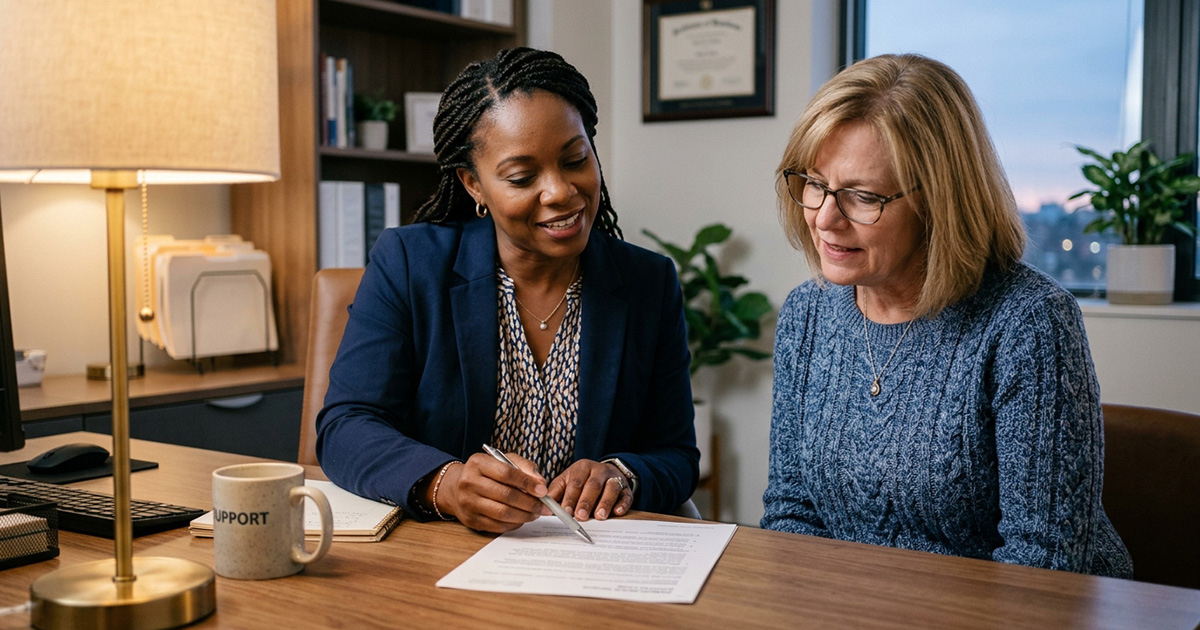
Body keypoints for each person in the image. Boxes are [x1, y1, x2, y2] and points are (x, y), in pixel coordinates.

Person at [761, 53, 1132, 577]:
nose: (824, 218)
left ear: (941, 202)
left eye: (863, 196)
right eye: (815, 184)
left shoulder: (1029, 324)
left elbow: (1042, 567)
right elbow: (791, 516)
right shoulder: (806, 315)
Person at [317, 47, 699, 534]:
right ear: (473, 184)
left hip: (589, 561)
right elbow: (346, 426)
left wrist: (622, 474)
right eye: (522, 177)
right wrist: (447, 484)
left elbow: (676, 453)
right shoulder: (410, 264)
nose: (560, 191)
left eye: (576, 159)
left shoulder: (648, 283)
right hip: (439, 557)